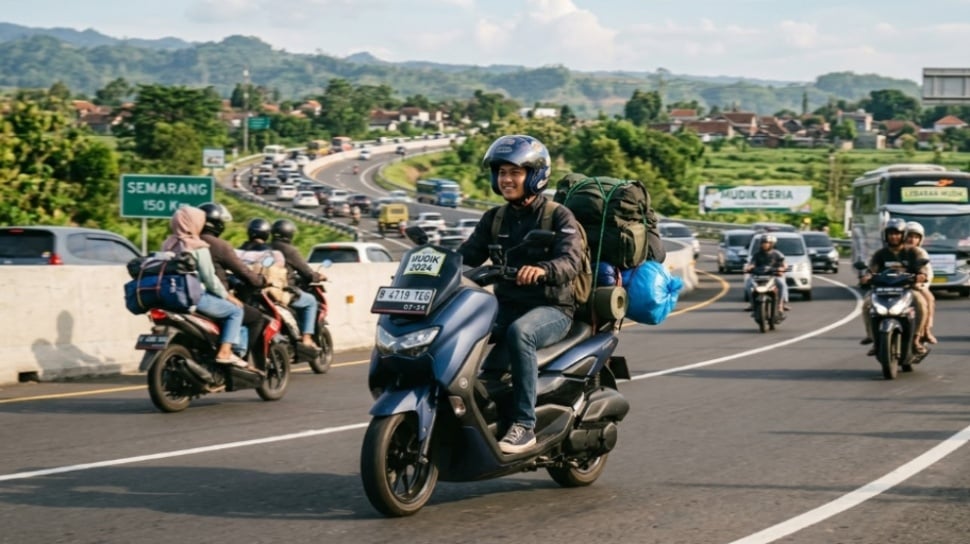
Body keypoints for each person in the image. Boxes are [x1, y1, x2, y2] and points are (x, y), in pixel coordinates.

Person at [457, 134, 585, 454]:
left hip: (551, 308)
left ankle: (524, 425)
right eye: (501, 172)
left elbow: (571, 261)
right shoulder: (495, 219)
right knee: (461, 328)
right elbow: (466, 256)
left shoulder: (558, 216)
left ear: (535, 175)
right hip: (505, 305)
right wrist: (430, 262)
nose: (506, 179)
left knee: (521, 332)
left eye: (515, 172)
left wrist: (543, 270)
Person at [161, 206, 247, 369]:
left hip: (169, 295)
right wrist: (227, 296)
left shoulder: (168, 244)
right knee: (236, 311)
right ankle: (225, 351)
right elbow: (209, 279)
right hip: (193, 296)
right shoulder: (198, 247)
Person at [198, 202, 267, 356]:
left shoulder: (184, 241)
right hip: (212, 296)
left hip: (187, 294)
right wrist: (259, 281)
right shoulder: (218, 245)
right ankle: (241, 358)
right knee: (255, 318)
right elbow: (242, 271)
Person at [859, 218, 931, 355]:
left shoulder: (913, 252)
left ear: (903, 235)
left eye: (897, 233)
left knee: (921, 303)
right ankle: (873, 338)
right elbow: (872, 270)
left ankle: (916, 338)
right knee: (867, 304)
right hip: (882, 290)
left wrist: (921, 275)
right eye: (891, 233)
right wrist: (866, 277)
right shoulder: (880, 254)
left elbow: (922, 268)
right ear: (885, 235)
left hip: (908, 289)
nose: (894, 236)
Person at [267, 219, 327, 349]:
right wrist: (318, 276)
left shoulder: (268, 247)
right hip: (283, 291)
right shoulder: (289, 250)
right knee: (311, 301)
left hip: (266, 290)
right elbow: (306, 272)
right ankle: (307, 338)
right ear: (289, 234)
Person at [904, 221, 937, 345]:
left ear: (920, 239)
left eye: (916, 237)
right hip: (894, 287)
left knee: (929, 299)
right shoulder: (895, 251)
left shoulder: (921, 253)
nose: (912, 239)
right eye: (910, 236)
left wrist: (921, 284)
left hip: (915, 287)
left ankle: (925, 331)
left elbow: (928, 272)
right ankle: (875, 338)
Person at [743, 234, 790, 313]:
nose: (764, 244)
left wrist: (782, 268)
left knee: (782, 284)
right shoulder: (757, 254)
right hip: (758, 276)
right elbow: (752, 264)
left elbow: (784, 264)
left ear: (771, 244)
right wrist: (749, 268)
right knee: (749, 284)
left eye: (766, 243)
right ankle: (752, 304)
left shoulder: (777, 254)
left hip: (774, 275)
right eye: (763, 243)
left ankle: (780, 304)